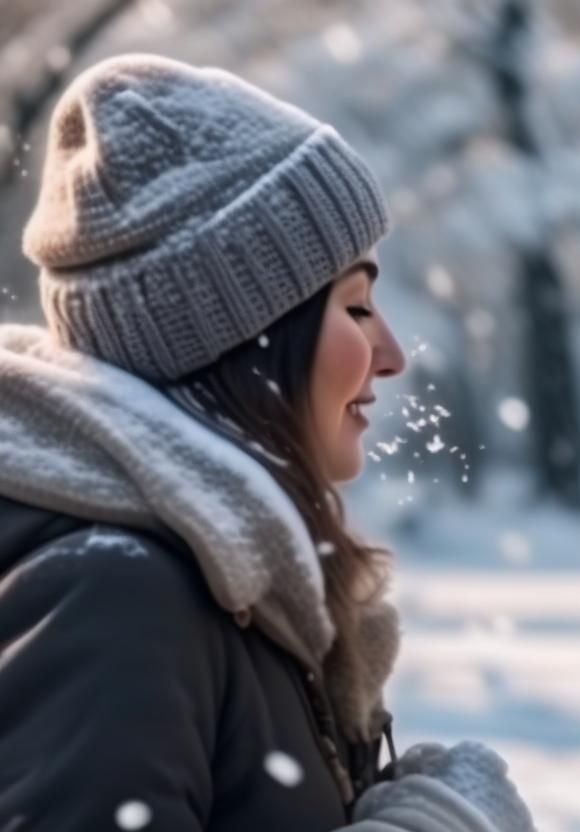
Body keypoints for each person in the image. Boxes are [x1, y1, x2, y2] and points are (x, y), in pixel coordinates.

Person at [0, 54, 533, 832]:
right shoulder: (118, 594)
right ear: (243, 343)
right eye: (354, 308)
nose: (392, 353)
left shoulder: (224, 582)